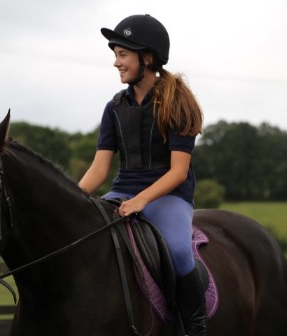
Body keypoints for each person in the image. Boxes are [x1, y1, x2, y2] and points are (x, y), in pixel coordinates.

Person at [78, 14, 206, 335]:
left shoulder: (178, 103)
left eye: (123, 55)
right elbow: (99, 168)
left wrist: (141, 201)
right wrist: (74, 198)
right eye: (115, 55)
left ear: (146, 58)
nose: (116, 63)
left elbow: (179, 171)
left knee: (177, 250)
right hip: (122, 192)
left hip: (168, 196)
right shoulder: (114, 107)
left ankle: (194, 326)